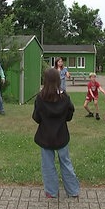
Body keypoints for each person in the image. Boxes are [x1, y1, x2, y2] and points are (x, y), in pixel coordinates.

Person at [32, 68, 80, 198]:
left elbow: (36, 117)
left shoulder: (40, 98)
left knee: (48, 165)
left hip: (45, 136)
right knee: (66, 162)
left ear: (45, 80)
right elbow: (69, 115)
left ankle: (51, 192)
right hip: (61, 135)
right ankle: (73, 191)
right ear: (58, 80)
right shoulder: (64, 97)